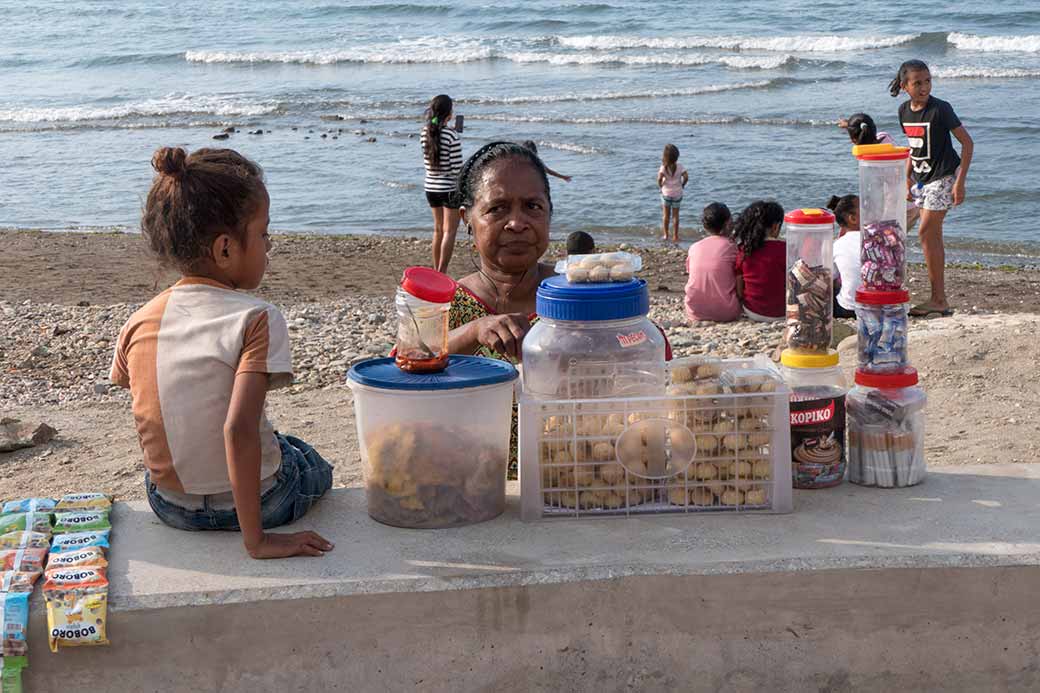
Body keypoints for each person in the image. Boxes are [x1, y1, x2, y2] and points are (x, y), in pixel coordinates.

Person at [110, 147, 334, 560]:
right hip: (263, 505)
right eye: (264, 234)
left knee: (272, 443)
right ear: (226, 249)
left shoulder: (139, 321)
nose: (268, 246)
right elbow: (237, 430)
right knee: (309, 461)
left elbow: (143, 395)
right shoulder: (257, 318)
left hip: (172, 506)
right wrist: (257, 540)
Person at [891, 59, 974, 316]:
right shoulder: (904, 111)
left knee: (927, 232)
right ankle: (938, 299)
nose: (925, 87)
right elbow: (913, 148)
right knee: (928, 234)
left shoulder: (941, 109)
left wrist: (960, 182)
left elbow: (967, 144)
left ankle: (938, 299)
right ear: (905, 86)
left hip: (945, 176)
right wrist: (906, 178)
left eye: (928, 81)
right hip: (922, 181)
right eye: (918, 83)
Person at [837, 112, 919, 229]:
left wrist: (871, 220)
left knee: (888, 242)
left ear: (854, 140)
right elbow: (867, 133)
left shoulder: (871, 161)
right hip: (914, 199)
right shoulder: (884, 136)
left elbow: (879, 195)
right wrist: (850, 126)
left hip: (902, 207)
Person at [421, 94, 463, 274]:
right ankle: (442, 271)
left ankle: (435, 271)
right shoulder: (452, 136)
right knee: (450, 231)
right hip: (448, 189)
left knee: (438, 230)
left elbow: (429, 162)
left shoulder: (425, 133)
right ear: (449, 113)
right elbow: (456, 170)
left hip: (430, 187)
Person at [683, 202, 740, 323]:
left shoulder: (694, 247)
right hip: (727, 312)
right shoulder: (732, 247)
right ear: (728, 223)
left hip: (695, 310)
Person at [732, 201, 786, 322]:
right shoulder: (785, 248)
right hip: (783, 313)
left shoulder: (744, 250)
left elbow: (740, 291)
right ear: (775, 227)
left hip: (752, 311)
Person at [828, 194, 860, 319]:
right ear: (852, 218)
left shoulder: (838, 244)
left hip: (850, 309)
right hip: (884, 306)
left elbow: (828, 279)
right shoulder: (880, 238)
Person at [657, 144, 688, 242]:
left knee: (666, 216)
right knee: (675, 216)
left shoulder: (663, 167)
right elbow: (686, 177)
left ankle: (666, 235)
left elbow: (659, 178)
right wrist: (682, 184)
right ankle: (675, 236)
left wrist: (661, 185)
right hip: (677, 193)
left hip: (666, 193)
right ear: (676, 156)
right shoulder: (680, 166)